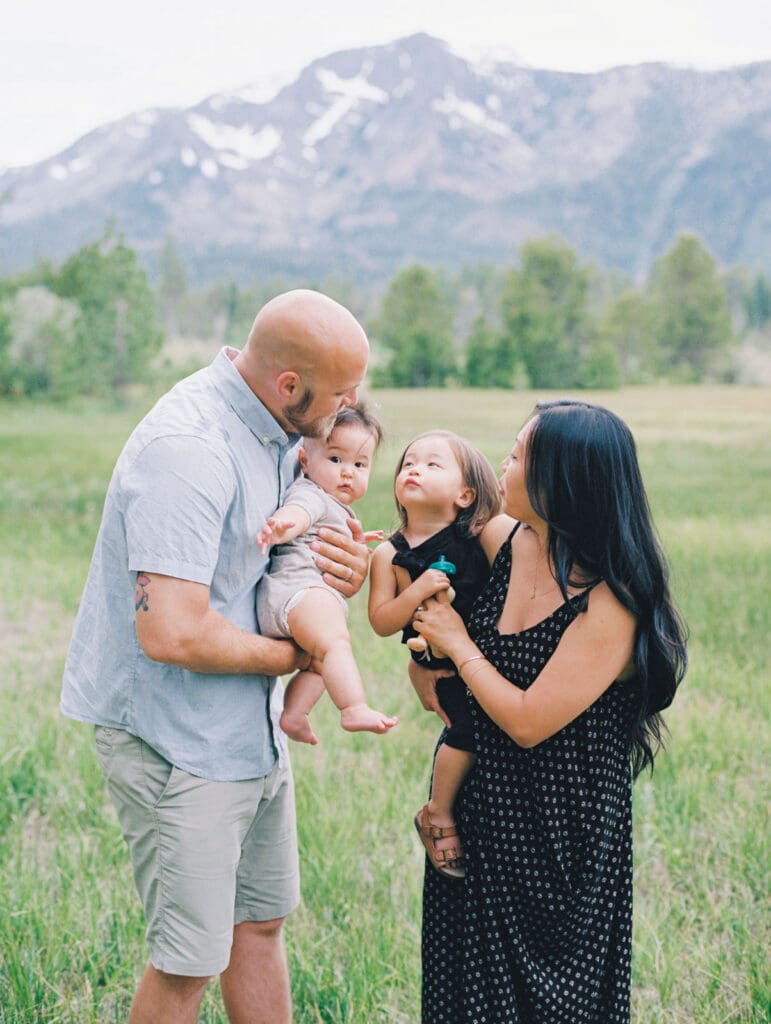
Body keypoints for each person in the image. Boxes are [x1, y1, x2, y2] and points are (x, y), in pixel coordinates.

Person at [60, 289, 374, 1024]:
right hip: (178, 743)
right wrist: (298, 655)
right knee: (187, 964)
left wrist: (337, 576)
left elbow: (276, 564)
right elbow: (170, 632)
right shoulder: (189, 449)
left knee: (258, 927)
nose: (350, 408)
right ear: (288, 386)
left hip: (242, 733)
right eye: (341, 394)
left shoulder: (274, 432)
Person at [409, 400, 687, 1024]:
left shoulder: (612, 603)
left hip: (560, 836)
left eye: (515, 457)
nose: (500, 469)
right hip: (482, 814)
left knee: (553, 1003)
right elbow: (422, 542)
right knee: (464, 994)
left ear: (562, 482)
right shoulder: (508, 541)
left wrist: (458, 643)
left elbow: (529, 721)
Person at [368, 431, 504, 879]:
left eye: (432, 465)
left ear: (465, 495)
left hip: (484, 654)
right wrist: (420, 590)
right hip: (439, 661)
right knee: (464, 730)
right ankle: (438, 813)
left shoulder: (478, 538)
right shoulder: (390, 553)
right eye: (408, 462)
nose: (414, 469)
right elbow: (383, 620)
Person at [256, 404, 397, 745]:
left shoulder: (334, 504)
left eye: (359, 464)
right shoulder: (311, 494)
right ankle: (353, 707)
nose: (348, 472)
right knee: (335, 644)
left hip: (296, 597)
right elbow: (301, 514)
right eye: (336, 460)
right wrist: (283, 525)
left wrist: (358, 540)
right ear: (304, 461)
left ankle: (294, 714)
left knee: (320, 663)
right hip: (297, 592)